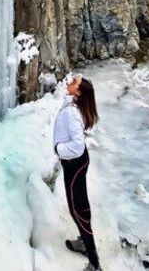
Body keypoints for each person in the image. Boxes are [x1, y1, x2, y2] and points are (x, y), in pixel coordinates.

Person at [54, 74, 102, 270]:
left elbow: (77, 146)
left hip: (75, 163)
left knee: (78, 211)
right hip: (76, 163)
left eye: (75, 83)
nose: (70, 82)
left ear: (79, 92)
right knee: (79, 207)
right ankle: (84, 241)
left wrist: (58, 149)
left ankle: (94, 263)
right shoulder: (74, 105)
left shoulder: (72, 113)